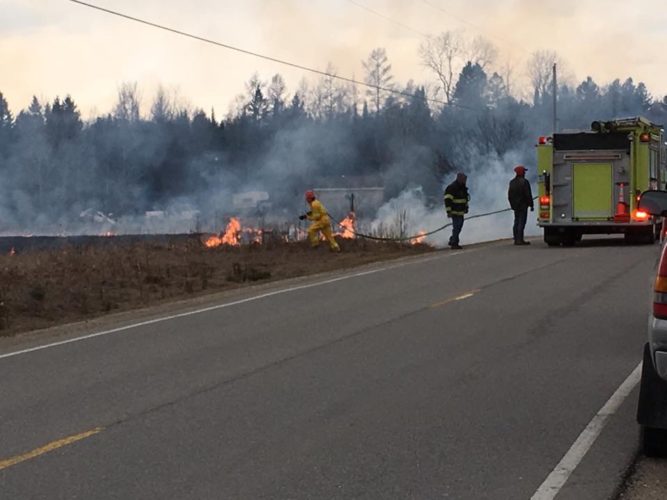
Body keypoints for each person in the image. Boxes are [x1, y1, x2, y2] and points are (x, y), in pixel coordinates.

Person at [508, 165, 534, 245]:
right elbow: (528, 195)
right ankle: (520, 240)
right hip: (523, 206)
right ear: (522, 173)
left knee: (516, 221)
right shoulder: (524, 182)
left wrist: (512, 205)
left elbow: (509, 196)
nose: (525, 173)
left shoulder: (512, 182)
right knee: (521, 222)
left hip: (515, 206)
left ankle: (516, 239)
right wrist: (531, 205)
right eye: (524, 171)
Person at [444, 172, 470, 249]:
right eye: (464, 179)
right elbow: (447, 200)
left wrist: (466, 208)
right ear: (459, 178)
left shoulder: (463, 188)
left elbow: (465, 199)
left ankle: (452, 239)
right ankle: (454, 243)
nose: (465, 181)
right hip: (454, 212)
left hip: (461, 212)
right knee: (456, 227)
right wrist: (449, 212)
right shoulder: (451, 188)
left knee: (459, 227)